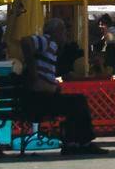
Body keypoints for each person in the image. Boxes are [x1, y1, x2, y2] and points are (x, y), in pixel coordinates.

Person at [21, 15, 97, 152]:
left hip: (39, 98)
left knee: (75, 102)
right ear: (56, 32)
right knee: (78, 102)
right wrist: (34, 74)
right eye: (64, 32)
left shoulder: (52, 48)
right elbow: (26, 42)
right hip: (38, 101)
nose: (65, 35)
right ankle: (81, 143)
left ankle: (74, 142)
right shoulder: (47, 41)